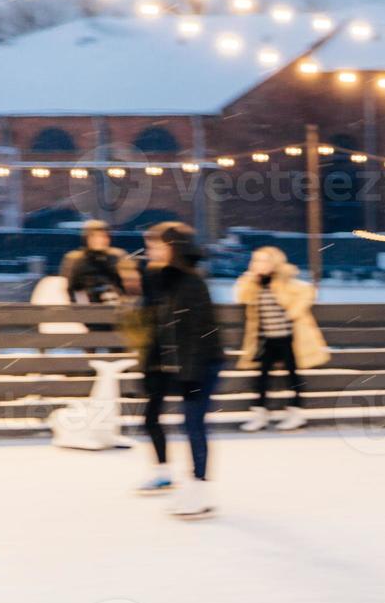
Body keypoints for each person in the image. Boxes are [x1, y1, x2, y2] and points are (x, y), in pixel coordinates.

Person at [135, 222, 223, 519]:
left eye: (156, 246)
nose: (150, 252)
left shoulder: (192, 283)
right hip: (181, 366)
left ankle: (200, 492)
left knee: (193, 425)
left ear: (172, 248)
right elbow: (156, 326)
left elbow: (201, 332)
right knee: (174, 421)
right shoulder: (164, 279)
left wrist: (192, 376)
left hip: (201, 365)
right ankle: (185, 483)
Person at [234, 246, 329, 432]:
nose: (259, 265)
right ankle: (260, 414)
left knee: (292, 376)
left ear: (274, 263)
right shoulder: (253, 283)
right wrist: (249, 278)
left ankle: (295, 413)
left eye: (264, 261)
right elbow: (241, 296)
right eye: (256, 261)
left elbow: (307, 291)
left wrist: (293, 312)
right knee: (262, 378)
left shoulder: (284, 280)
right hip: (265, 340)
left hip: (289, 339)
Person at [60, 220, 131, 305]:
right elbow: (71, 287)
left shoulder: (117, 257)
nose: (100, 240)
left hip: (114, 304)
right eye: (94, 237)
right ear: (86, 238)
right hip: (84, 306)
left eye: (103, 236)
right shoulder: (75, 259)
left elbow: (127, 286)